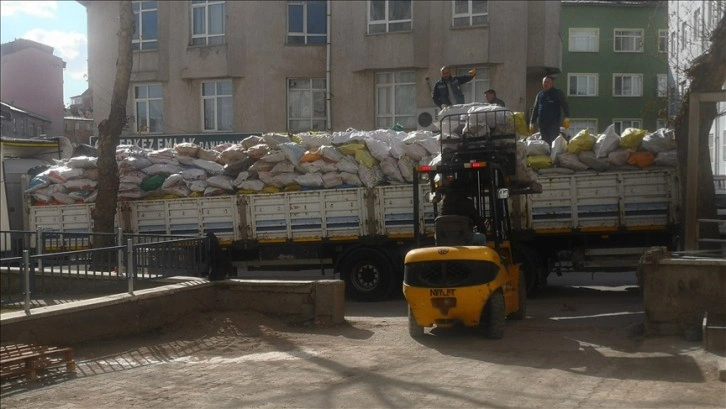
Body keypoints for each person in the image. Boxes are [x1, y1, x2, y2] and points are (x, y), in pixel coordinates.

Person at [439, 179, 487, 245]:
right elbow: (477, 220)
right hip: (463, 238)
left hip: (445, 239)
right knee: (482, 237)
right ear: (462, 190)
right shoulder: (467, 203)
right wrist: (483, 228)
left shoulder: (443, 203)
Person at [529, 76, 570, 145]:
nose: (546, 84)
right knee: (545, 142)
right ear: (542, 83)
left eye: (548, 82)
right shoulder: (540, 95)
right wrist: (531, 122)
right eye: (544, 82)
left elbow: (565, 105)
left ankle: (553, 155)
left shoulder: (558, 93)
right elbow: (535, 109)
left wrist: (567, 117)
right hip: (542, 123)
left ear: (552, 84)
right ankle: (546, 155)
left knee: (554, 142)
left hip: (553, 123)